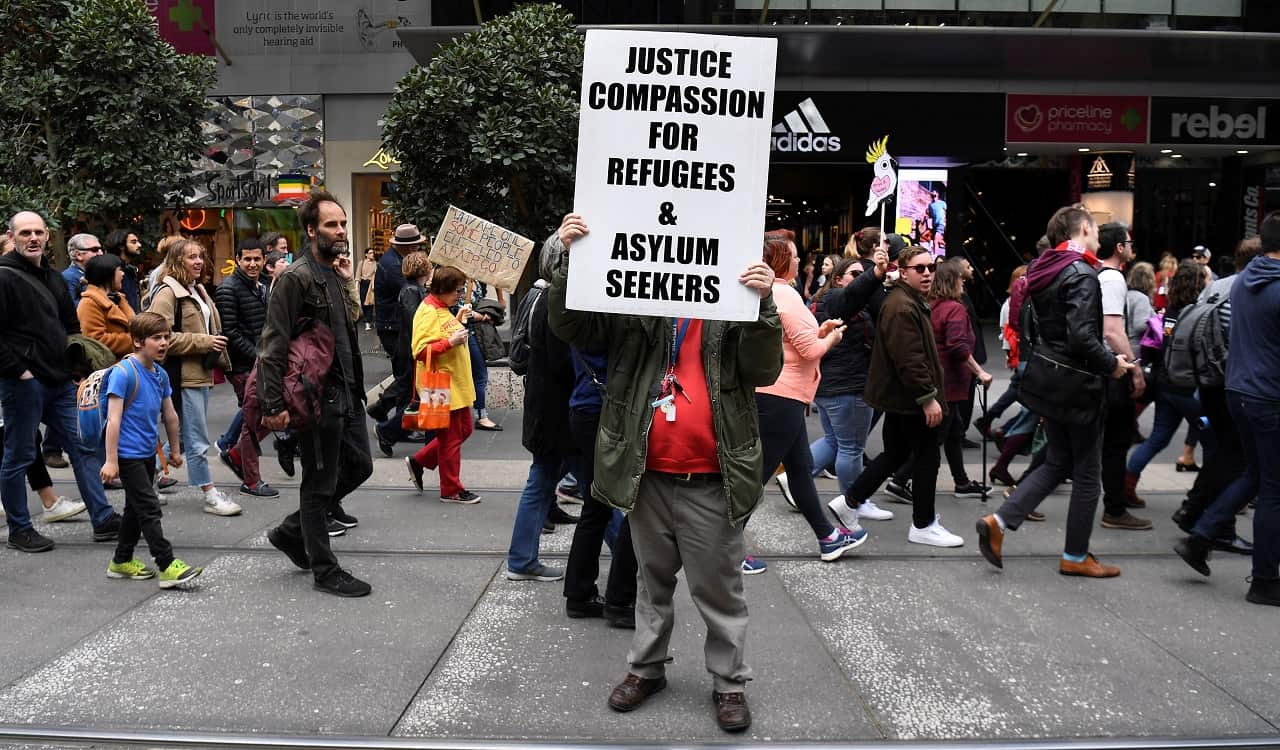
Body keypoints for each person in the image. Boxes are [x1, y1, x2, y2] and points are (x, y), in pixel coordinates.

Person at [550, 213, 782, 733]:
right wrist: (570, 261)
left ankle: (729, 682)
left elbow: (763, 369)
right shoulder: (634, 296)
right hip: (647, 473)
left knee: (719, 590)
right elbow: (572, 326)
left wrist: (764, 305)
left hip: (711, 477)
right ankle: (646, 669)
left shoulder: (735, 296)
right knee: (649, 583)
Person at [976, 205, 1135, 578]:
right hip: (1079, 384)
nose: (1098, 236)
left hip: (1051, 378)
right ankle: (1075, 556)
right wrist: (1112, 364)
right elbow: (1082, 336)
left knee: (1058, 461)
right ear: (1083, 229)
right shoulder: (1081, 272)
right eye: (1095, 228)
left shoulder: (1046, 267)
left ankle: (1000, 521)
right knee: (1087, 472)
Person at [260, 191, 372, 597]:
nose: (340, 231)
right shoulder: (296, 278)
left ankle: (292, 530)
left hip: (347, 391)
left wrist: (348, 281)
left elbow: (349, 325)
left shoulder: (335, 273)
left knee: (360, 466)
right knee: (319, 483)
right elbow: (273, 343)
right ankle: (324, 569)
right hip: (316, 395)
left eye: (342, 223)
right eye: (331, 225)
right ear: (311, 230)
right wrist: (273, 405)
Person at [1174, 212, 1280, 606]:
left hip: (1238, 389)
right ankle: (1265, 580)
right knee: (1273, 489)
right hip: (1269, 395)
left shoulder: (1246, 280)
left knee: (1255, 474)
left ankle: (1201, 537)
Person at [1, 211, 122, 551]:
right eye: (25, 232)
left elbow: (71, 326)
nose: (33, 238)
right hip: (23, 382)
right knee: (19, 456)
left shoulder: (53, 277)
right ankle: (19, 529)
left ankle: (103, 518)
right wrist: (20, 371)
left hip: (59, 382)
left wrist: (74, 368)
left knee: (84, 446)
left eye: (38, 232)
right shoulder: (4, 276)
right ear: (12, 237)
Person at [830, 245, 962, 548]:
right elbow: (909, 358)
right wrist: (927, 397)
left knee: (896, 453)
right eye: (920, 268)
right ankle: (923, 524)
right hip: (909, 399)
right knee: (926, 457)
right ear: (903, 272)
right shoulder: (902, 305)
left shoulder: (907, 300)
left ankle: (849, 502)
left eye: (931, 267)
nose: (928, 273)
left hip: (901, 397)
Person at [750, 230, 866, 573]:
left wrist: (819, 331)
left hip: (780, 394)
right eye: (795, 255)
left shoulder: (772, 293)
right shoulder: (785, 295)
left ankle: (828, 537)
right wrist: (831, 338)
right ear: (781, 261)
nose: (800, 260)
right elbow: (810, 350)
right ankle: (725, 550)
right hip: (781, 396)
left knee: (800, 468)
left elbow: (790, 340)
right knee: (755, 478)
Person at [100, 312, 202, 588]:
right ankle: (166, 564)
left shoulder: (160, 374)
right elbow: (113, 420)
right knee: (148, 507)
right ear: (137, 341)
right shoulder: (123, 373)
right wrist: (111, 461)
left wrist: (175, 450)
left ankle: (121, 561)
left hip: (146, 454)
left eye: (166, 337)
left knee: (134, 509)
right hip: (127, 455)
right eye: (156, 338)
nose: (163, 343)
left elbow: (170, 415)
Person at [147, 238, 240, 517]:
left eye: (200, 256)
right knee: (196, 437)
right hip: (182, 376)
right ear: (177, 261)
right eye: (191, 257)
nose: (198, 261)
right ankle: (209, 494)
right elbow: (159, 337)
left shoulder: (196, 288)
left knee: (185, 437)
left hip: (199, 372)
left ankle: (145, 478)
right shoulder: (168, 293)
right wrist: (204, 342)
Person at [807, 257, 893, 524]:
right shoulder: (837, 298)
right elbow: (855, 294)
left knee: (835, 442)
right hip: (847, 387)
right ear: (837, 279)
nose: (860, 277)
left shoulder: (829, 300)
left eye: (862, 273)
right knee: (851, 448)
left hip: (831, 386)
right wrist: (875, 274)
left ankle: (795, 479)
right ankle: (853, 501)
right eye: (854, 274)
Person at [1123, 260, 1208, 508]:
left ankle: (1126, 487)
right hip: (1189, 388)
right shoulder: (1199, 312)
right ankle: (1208, 497)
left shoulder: (1170, 311)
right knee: (1215, 441)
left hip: (1165, 384)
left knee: (1158, 438)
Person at [404, 265, 481, 504]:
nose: (460, 295)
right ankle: (451, 489)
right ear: (444, 289)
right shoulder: (428, 310)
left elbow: (441, 333)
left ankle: (420, 461)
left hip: (452, 383)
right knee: (451, 438)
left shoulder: (440, 307)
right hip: (441, 385)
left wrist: (457, 320)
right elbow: (420, 351)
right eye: (457, 291)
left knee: (463, 430)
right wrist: (450, 342)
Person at [1094, 222, 1152, 530]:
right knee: (1116, 443)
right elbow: (1113, 331)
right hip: (1113, 369)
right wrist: (1135, 366)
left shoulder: (1095, 275)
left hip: (1097, 367)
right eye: (1128, 243)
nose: (1131, 247)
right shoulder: (1113, 278)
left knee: (1084, 444)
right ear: (1119, 248)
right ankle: (1115, 509)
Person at [214, 238, 277, 499]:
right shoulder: (228, 289)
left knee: (270, 414)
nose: (252, 264)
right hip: (243, 365)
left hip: (261, 362)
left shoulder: (261, 286)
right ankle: (251, 481)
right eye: (247, 259)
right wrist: (258, 358)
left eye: (257, 259)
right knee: (253, 420)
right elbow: (230, 333)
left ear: (264, 260)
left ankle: (236, 454)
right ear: (238, 260)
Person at [929, 261, 994, 498]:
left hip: (940, 379)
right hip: (950, 381)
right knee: (938, 436)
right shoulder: (954, 308)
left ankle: (962, 482)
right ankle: (900, 478)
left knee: (953, 432)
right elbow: (957, 345)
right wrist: (979, 372)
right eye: (960, 278)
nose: (963, 282)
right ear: (951, 281)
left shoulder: (932, 305)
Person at [371, 251, 432, 455]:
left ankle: (388, 426)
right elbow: (416, 322)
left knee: (415, 397)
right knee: (418, 398)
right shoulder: (411, 292)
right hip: (412, 351)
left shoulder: (413, 290)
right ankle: (387, 430)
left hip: (411, 349)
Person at [372, 224, 421, 361]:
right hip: (393, 326)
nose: (418, 248)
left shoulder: (395, 259)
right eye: (417, 245)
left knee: (404, 366)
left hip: (393, 324)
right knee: (404, 367)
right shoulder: (394, 264)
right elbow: (409, 293)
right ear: (411, 247)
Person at [77, 254, 137, 359]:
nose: (123, 274)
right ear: (107, 274)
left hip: (127, 362)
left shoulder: (116, 298)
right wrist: (134, 340)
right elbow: (96, 340)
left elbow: (134, 323)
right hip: (111, 366)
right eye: (119, 270)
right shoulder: (89, 303)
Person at [103, 229, 144, 313]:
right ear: (121, 246)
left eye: (138, 242)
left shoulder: (130, 270)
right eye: (133, 242)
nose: (139, 245)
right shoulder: (111, 270)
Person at [62, 233, 103, 306]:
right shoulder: (69, 278)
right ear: (78, 255)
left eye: (101, 249)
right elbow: (73, 308)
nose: (101, 253)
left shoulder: (96, 274)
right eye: (95, 250)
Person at [357, 248, 378, 330]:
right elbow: (358, 275)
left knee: (370, 303)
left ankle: (368, 322)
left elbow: (376, 275)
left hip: (371, 284)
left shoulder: (376, 263)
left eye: (373, 253)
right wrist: (356, 286)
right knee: (363, 303)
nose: (372, 254)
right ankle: (367, 318)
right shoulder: (361, 263)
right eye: (370, 253)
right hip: (363, 283)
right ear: (366, 254)